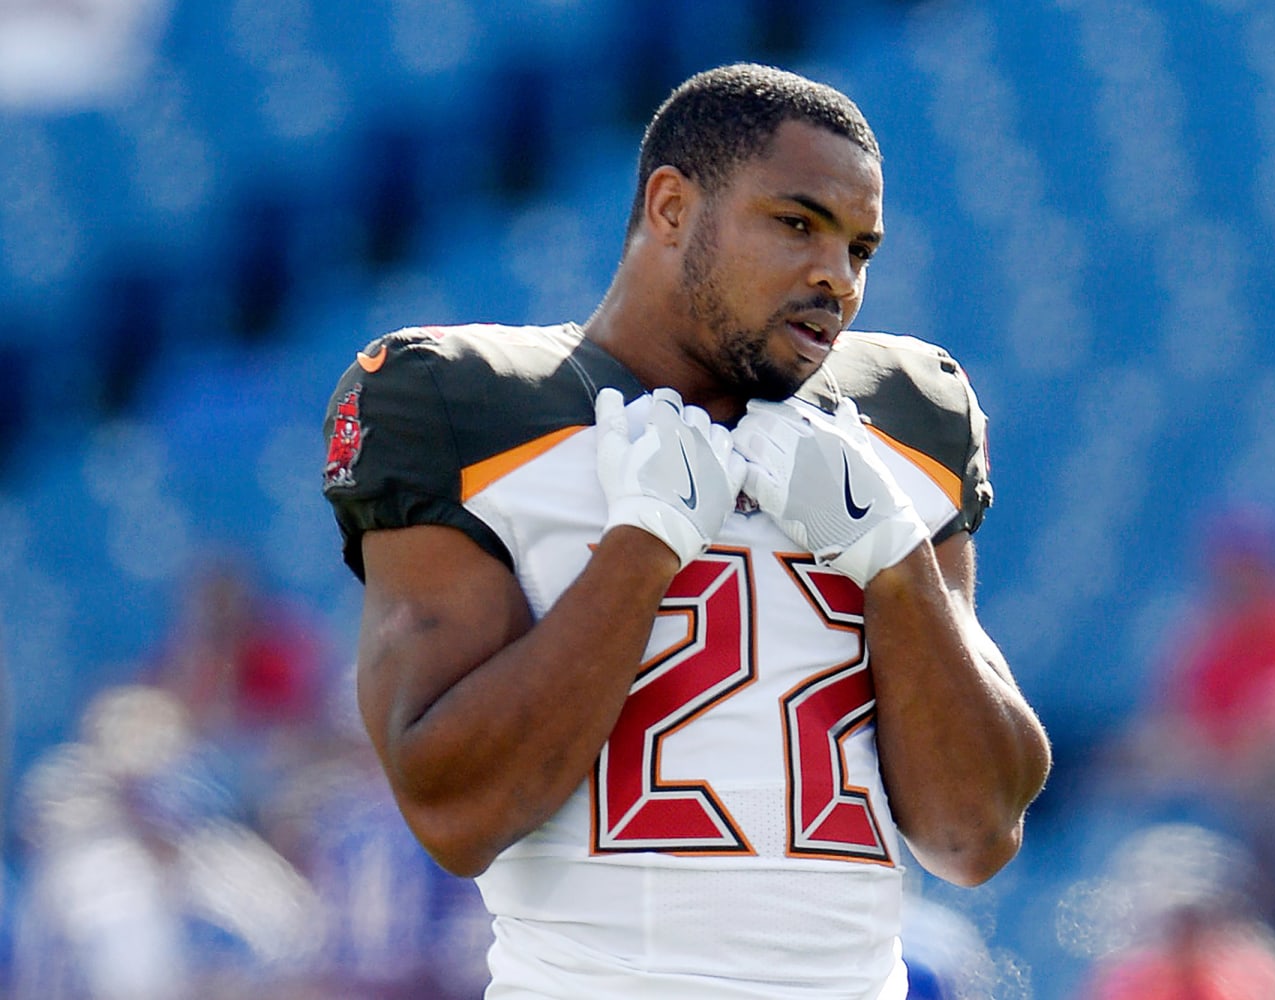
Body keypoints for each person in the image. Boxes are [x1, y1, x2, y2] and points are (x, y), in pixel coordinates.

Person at [320, 62, 1051, 999]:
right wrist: (644, 549)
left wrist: (897, 562)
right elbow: (456, 815)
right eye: (797, 223)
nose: (837, 277)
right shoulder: (468, 406)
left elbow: (975, 835)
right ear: (671, 207)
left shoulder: (905, 420)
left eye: (861, 249)